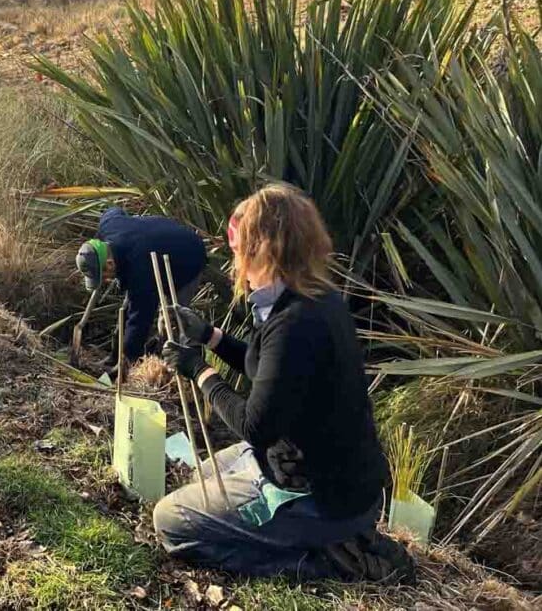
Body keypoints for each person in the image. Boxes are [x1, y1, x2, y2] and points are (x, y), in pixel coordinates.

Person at [154, 183, 414, 583]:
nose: (233, 254)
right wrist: (209, 336)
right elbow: (271, 372)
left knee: (170, 521)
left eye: (239, 244)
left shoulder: (295, 323)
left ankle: (331, 563)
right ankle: (321, 537)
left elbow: (257, 426)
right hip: (333, 476)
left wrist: (199, 370)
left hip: (323, 495)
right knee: (202, 475)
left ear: (263, 247)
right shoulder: (311, 297)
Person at [75, 207, 207, 377]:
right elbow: (114, 210)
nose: (106, 281)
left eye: (105, 276)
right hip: (154, 245)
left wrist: (127, 360)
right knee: (128, 308)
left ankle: (165, 370)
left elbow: (139, 320)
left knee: (172, 320)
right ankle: (113, 358)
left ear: (109, 264)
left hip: (188, 256)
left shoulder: (140, 270)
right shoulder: (108, 225)